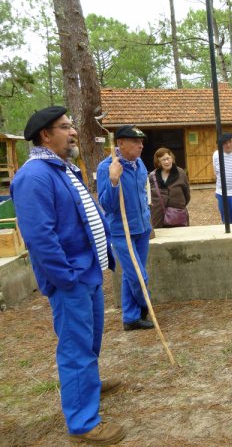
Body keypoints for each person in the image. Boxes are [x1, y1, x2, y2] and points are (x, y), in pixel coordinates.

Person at [10, 106, 125, 444]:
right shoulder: (35, 176)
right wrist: (68, 278)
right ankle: (83, 422)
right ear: (45, 135)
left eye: (71, 126)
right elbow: (40, 239)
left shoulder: (62, 169)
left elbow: (87, 214)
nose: (73, 132)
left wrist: (100, 260)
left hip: (87, 272)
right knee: (75, 347)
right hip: (71, 278)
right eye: (65, 127)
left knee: (89, 341)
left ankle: (86, 386)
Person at [97, 125, 154, 331]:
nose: (141, 145)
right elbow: (107, 205)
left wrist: (148, 221)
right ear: (120, 143)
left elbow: (143, 195)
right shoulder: (107, 167)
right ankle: (143, 305)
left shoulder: (140, 164)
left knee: (131, 274)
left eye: (141, 142)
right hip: (123, 232)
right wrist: (114, 180)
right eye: (135, 142)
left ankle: (130, 318)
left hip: (142, 229)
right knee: (139, 276)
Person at [149, 147, 191, 228]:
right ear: (158, 162)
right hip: (158, 218)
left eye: (168, 158)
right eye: (163, 160)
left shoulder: (181, 173)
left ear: (172, 158)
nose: (167, 162)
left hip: (177, 216)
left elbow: (187, 195)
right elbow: (148, 197)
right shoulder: (152, 176)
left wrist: (177, 205)